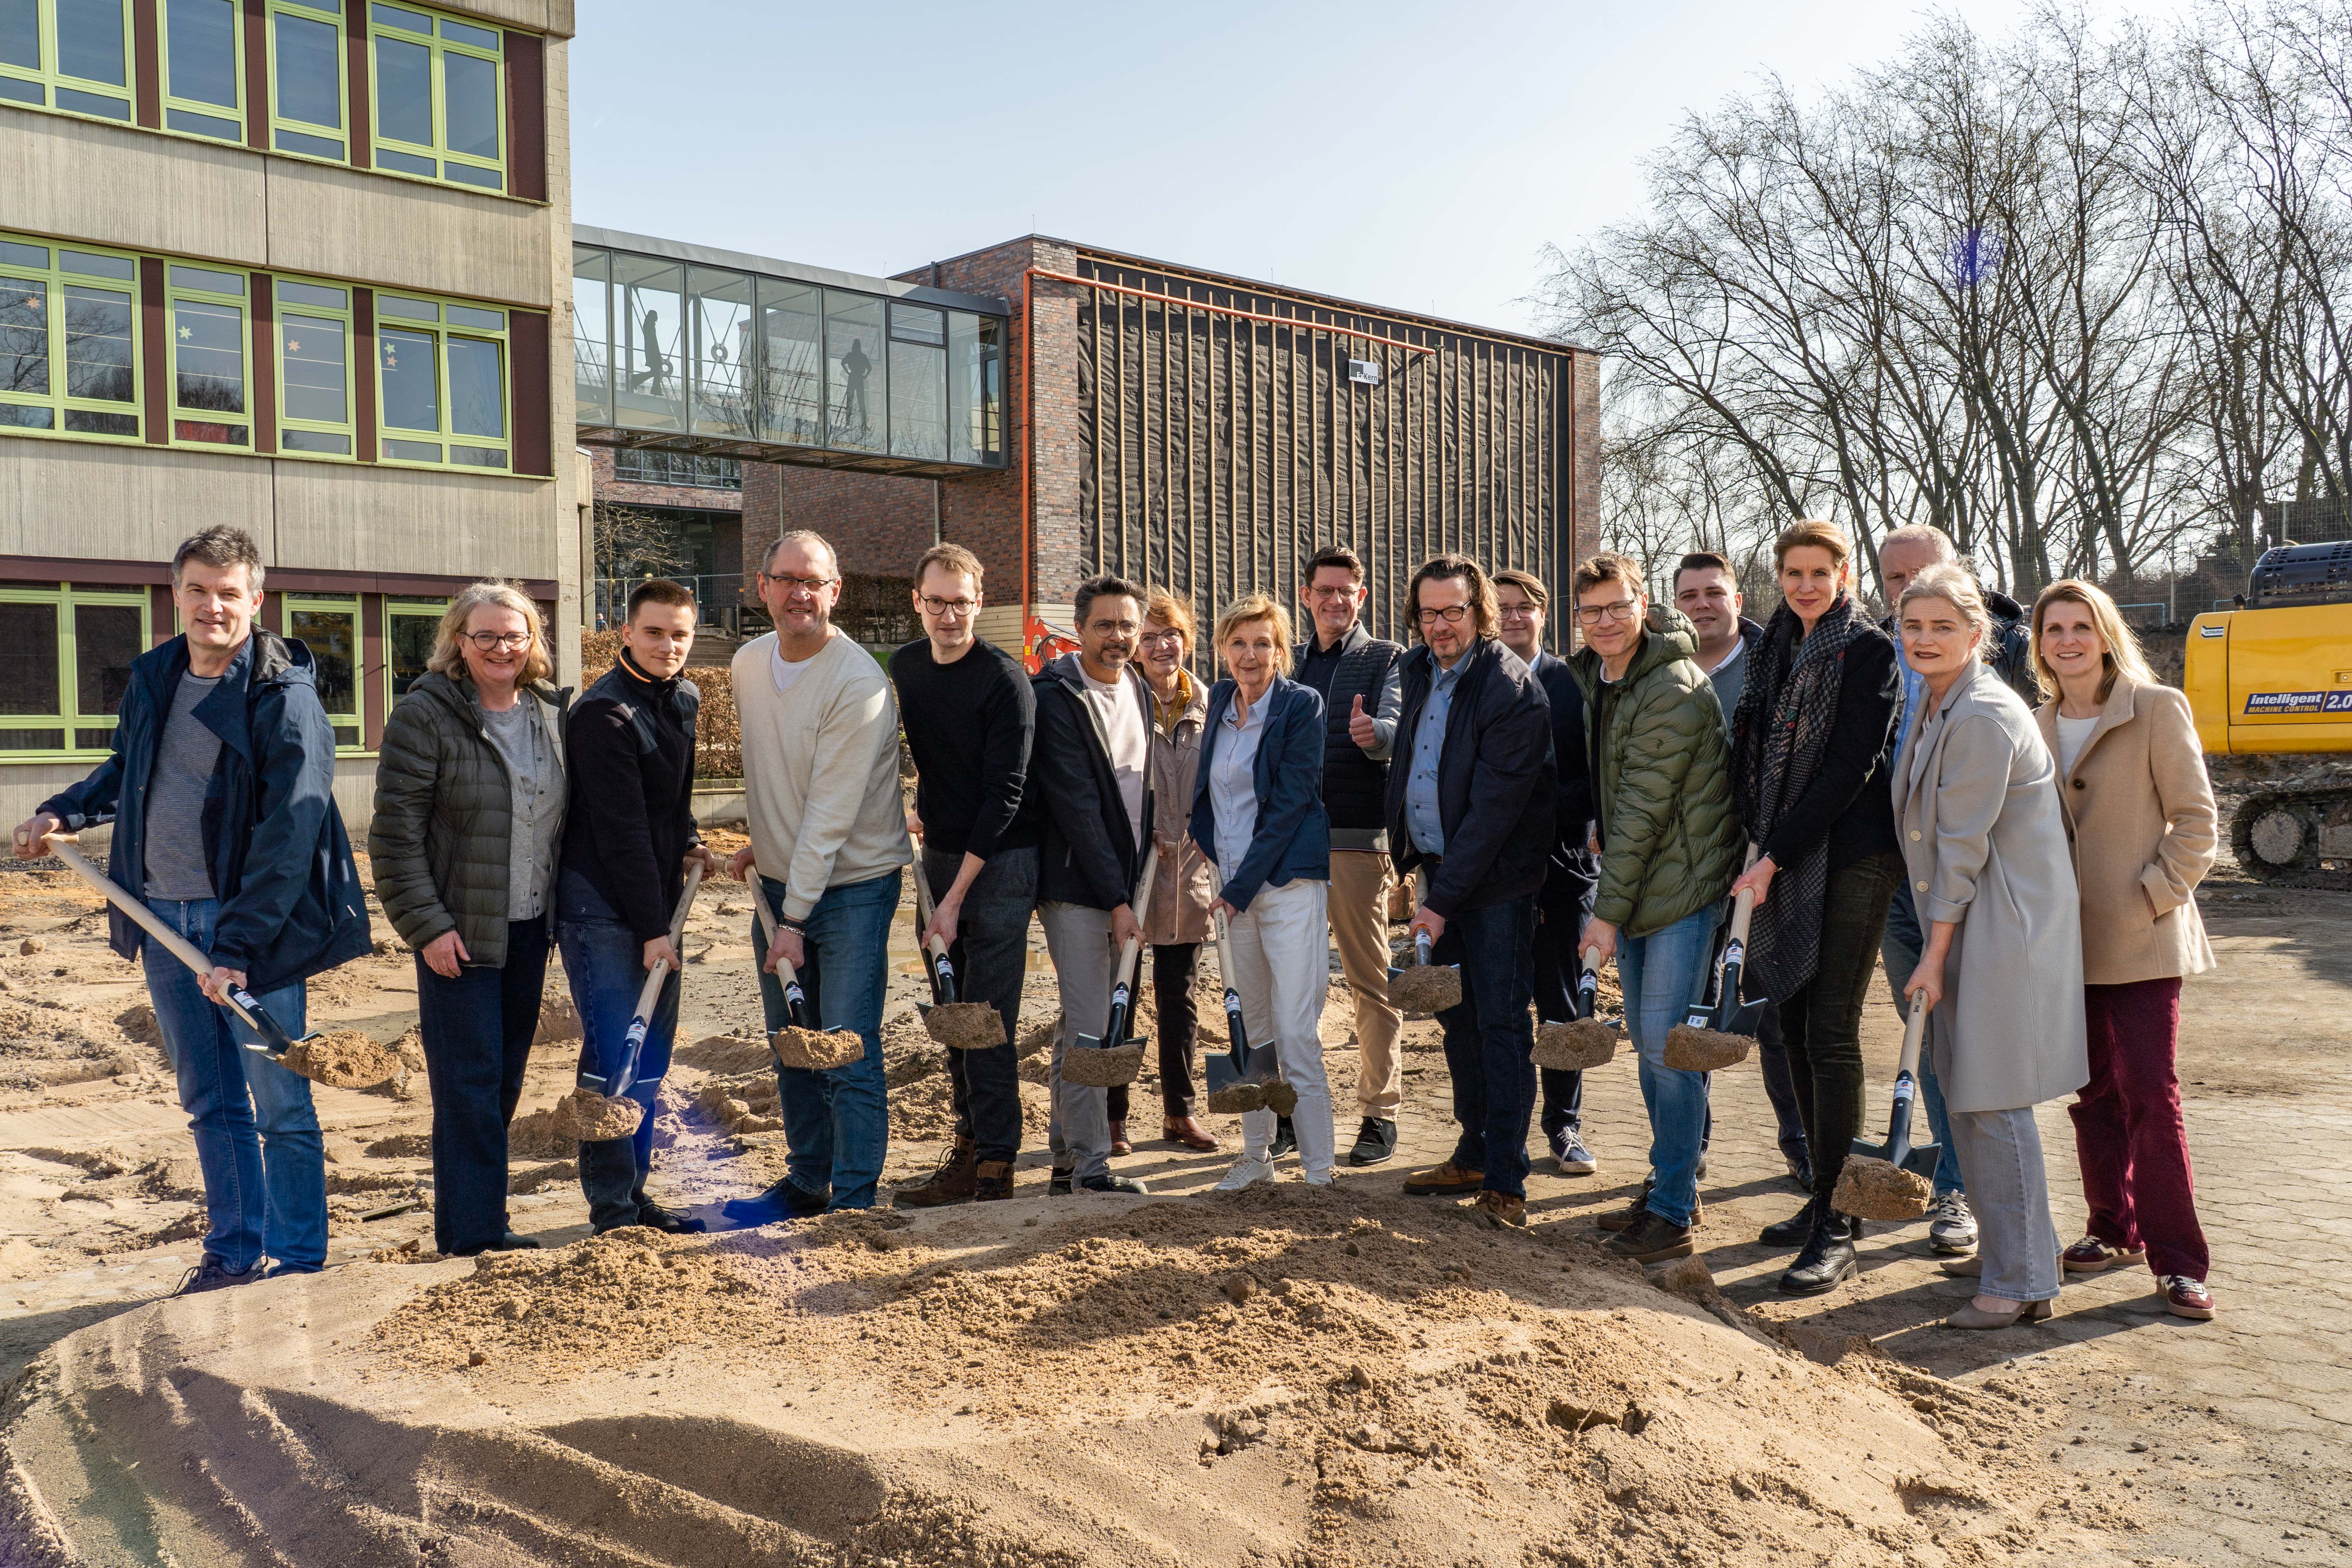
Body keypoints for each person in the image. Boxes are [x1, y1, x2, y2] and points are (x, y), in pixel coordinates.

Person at [14, 527, 366, 1293]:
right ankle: (234, 1254)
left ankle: (298, 1263)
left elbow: (290, 832)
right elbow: (129, 768)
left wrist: (239, 945)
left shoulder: (283, 697)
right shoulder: (157, 676)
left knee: (280, 1102)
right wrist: (65, 810)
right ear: (175, 594)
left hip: (250, 929)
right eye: (199, 590)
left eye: (229, 593)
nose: (214, 606)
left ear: (256, 600)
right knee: (210, 1102)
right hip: (162, 919)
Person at [1894, 563, 2087, 1329]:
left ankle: (2021, 1282)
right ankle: (2019, 1257)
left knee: (1993, 1100)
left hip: (2001, 928)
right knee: (1969, 1096)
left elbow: (1961, 849)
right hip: (1976, 920)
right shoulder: (1940, 702)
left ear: (1978, 635)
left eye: (1943, 626)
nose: (1925, 639)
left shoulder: (1979, 714)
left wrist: (1932, 957)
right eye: (1913, 625)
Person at [2032, 580, 2220, 1321]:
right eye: (2054, 629)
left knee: (2151, 1093)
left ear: (2107, 635)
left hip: (2143, 938)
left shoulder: (2156, 708)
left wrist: (2151, 897)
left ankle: (2180, 1264)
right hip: (2065, 945)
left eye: (2082, 626)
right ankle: (2113, 1228)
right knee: (2092, 1094)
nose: (2068, 641)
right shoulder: (2035, 724)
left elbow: (2197, 823)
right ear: (2040, 645)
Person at [1725, 523, 1903, 1295]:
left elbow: (1847, 769)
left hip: (1854, 857)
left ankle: (1840, 1221)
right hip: (1786, 853)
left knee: (1830, 1030)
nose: (1805, 586)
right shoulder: (1774, 650)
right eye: (1793, 573)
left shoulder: (1867, 652)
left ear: (1844, 575)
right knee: (1792, 1022)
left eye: (1819, 574)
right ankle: (1823, 1195)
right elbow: (1753, 754)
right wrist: (1760, 841)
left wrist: (1773, 857)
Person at [372, 581, 568, 1258]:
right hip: (459, 934)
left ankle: (474, 1220)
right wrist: (427, 926)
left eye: (514, 635)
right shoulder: (425, 715)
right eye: (486, 636)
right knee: (468, 1084)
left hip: (530, 927)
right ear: (459, 641)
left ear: (532, 641)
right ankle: (475, 1234)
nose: (501, 648)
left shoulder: (551, 713)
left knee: (504, 1078)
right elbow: (394, 838)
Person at [724, 531, 911, 1220]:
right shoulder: (747, 664)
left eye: (814, 582)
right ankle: (809, 1181)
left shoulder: (857, 682)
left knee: (846, 1046)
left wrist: (794, 920)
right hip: (781, 885)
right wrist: (767, 843)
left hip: (853, 889)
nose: (799, 593)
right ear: (763, 588)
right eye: (787, 579)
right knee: (793, 1046)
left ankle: (854, 1201)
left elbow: (831, 813)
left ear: (836, 591)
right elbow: (775, 769)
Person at [1568, 553, 1744, 1264]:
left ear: (1644, 605)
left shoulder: (1670, 685)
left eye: (1619, 606)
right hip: (1645, 881)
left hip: (1681, 886)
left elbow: (1644, 811)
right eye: (1592, 611)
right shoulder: (1605, 676)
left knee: (1669, 1052)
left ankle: (1672, 1214)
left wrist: (1604, 915)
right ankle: (1672, 1185)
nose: (1606, 621)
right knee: (1651, 1045)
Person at [1371, 555, 1554, 1229]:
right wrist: (1409, 860)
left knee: (1501, 1024)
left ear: (1480, 613)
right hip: (1439, 873)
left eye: (1453, 611)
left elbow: (1492, 816)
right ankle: (1474, 1151)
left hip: (1496, 884)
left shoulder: (1510, 688)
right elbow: (1414, 766)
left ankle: (1507, 1180)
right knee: (1458, 1021)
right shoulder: (1418, 669)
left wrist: (1439, 902)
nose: (1440, 625)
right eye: (1429, 613)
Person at [1873, 522, 2039, 1255]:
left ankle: (1999, 1235)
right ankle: (1963, 1196)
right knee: (1935, 1044)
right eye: (1897, 584)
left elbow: (1973, 832)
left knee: (1983, 1068)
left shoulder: (1993, 682)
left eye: (1926, 579)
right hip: (1906, 882)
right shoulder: (1890, 661)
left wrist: (1938, 951)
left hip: (1973, 899)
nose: (1912, 597)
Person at [557, 578, 716, 1235]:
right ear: (626, 633)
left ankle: (636, 1194)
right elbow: (620, 830)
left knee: (649, 1054)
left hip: (656, 901)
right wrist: (654, 930)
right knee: (613, 1055)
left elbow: (670, 801)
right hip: (599, 906)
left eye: (680, 635)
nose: (667, 645)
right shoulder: (603, 714)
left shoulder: (685, 698)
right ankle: (613, 1209)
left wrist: (690, 839)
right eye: (654, 632)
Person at [891, 544, 1038, 1206]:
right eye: (936, 602)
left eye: (961, 602)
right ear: (917, 603)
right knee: (952, 1015)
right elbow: (928, 757)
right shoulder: (907, 666)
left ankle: (995, 1166)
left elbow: (1004, 797)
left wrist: (951, 901)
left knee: (984, 1020)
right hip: (941, 856)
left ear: (980, 602)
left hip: (1002, 861)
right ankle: (969, 1145)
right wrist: (919, 812)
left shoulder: (1005, 681)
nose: (948, 615)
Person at [1191, 596, 1335, 1190]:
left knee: (1295, 1031)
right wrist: (1204, 844)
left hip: (1285, 888)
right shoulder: (1220, 702)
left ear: (1281, 652)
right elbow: (1210, 792)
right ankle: (1257, 1158)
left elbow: (1289, 807)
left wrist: (1240, 888)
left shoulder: (1301, 706)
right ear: (1223, 650)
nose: (1249, 655)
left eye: (1262, 643)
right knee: (1250, 1029)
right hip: (1231, 891)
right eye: (1238, 643)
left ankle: (1320, 1172)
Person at [1676, 550, 1807, 1189]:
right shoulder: (1665, 671)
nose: (1702, 605)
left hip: (1765, 869)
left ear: (1737, 599)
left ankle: (1801, 1147)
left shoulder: (1775, 666)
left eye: (1713, 592)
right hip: (1689, 871)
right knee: (1695, 1012)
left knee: (1774, 1014)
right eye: (1689, 596)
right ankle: (1688, 1148)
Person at [1032, 574, 1157, 1197]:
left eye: (1128, 625)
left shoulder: (1139, 688)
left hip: (1127, 884)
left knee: (1079, 1022)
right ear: (1079, 630)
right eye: (1104, 625)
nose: (1118, 637)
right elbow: (1078, 809)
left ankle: (1065, 1156)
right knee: (1090, 1025)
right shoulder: (1057, 697)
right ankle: (1091, 1166)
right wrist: (1116, 900)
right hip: (1079, 888)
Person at [1292, 545, 1407, 1167]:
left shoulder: (1387, 658)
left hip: (1356, 844)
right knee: (1292, 986)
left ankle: (1379, 1113)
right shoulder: (1289, 662)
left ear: (1361, 597)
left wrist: (1375, 735)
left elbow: (1394, 725)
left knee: (1369, 982)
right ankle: (1290, 1114)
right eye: (1324, 591)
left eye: (1346, 591)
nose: (1335, 601)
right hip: (1290, 846)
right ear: (1306, 596)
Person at [1492, 568, 1600, 1177]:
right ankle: (1498, 1129)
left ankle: (1564, 1125)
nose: (1513, 617)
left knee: (1560, 1002)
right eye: (1502, 607)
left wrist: (1535, 807)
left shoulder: (1573, 683)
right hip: (1494, 873)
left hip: (1563, 869)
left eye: (1524, 607)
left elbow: (1594, 777)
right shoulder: (1482, 681)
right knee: (1500, 1004)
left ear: (1543, 614)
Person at [1126, 589, 1219, 1154]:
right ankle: (1111, 1118)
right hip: (1131, 872)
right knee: (1117, 993)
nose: (1162, 646)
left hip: (1188, 872)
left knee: (1179, 999)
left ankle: (1178, 1113)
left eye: (1172, 635)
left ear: (1189, 639)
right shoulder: (1123, 700)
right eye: (1149, 637)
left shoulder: (1212, 704)